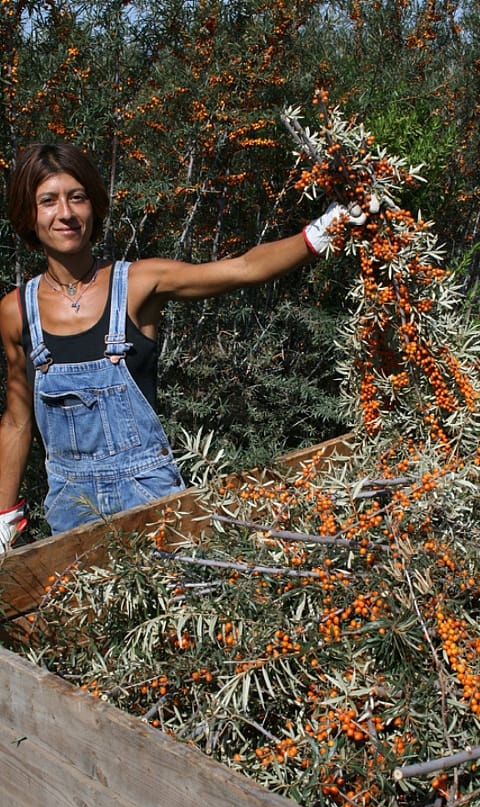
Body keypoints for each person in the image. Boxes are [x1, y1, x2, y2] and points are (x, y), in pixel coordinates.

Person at [0, 141, 361, 550]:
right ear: (29, 215)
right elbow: (17, 421)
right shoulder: (17, 312)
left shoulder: (138, 283)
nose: (65, 213)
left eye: (77, 197)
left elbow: (242, 268)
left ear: (94, 207)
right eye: (48, 201)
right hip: (71, 513)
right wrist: (4, 519)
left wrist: (321, 232)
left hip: (152, 502)